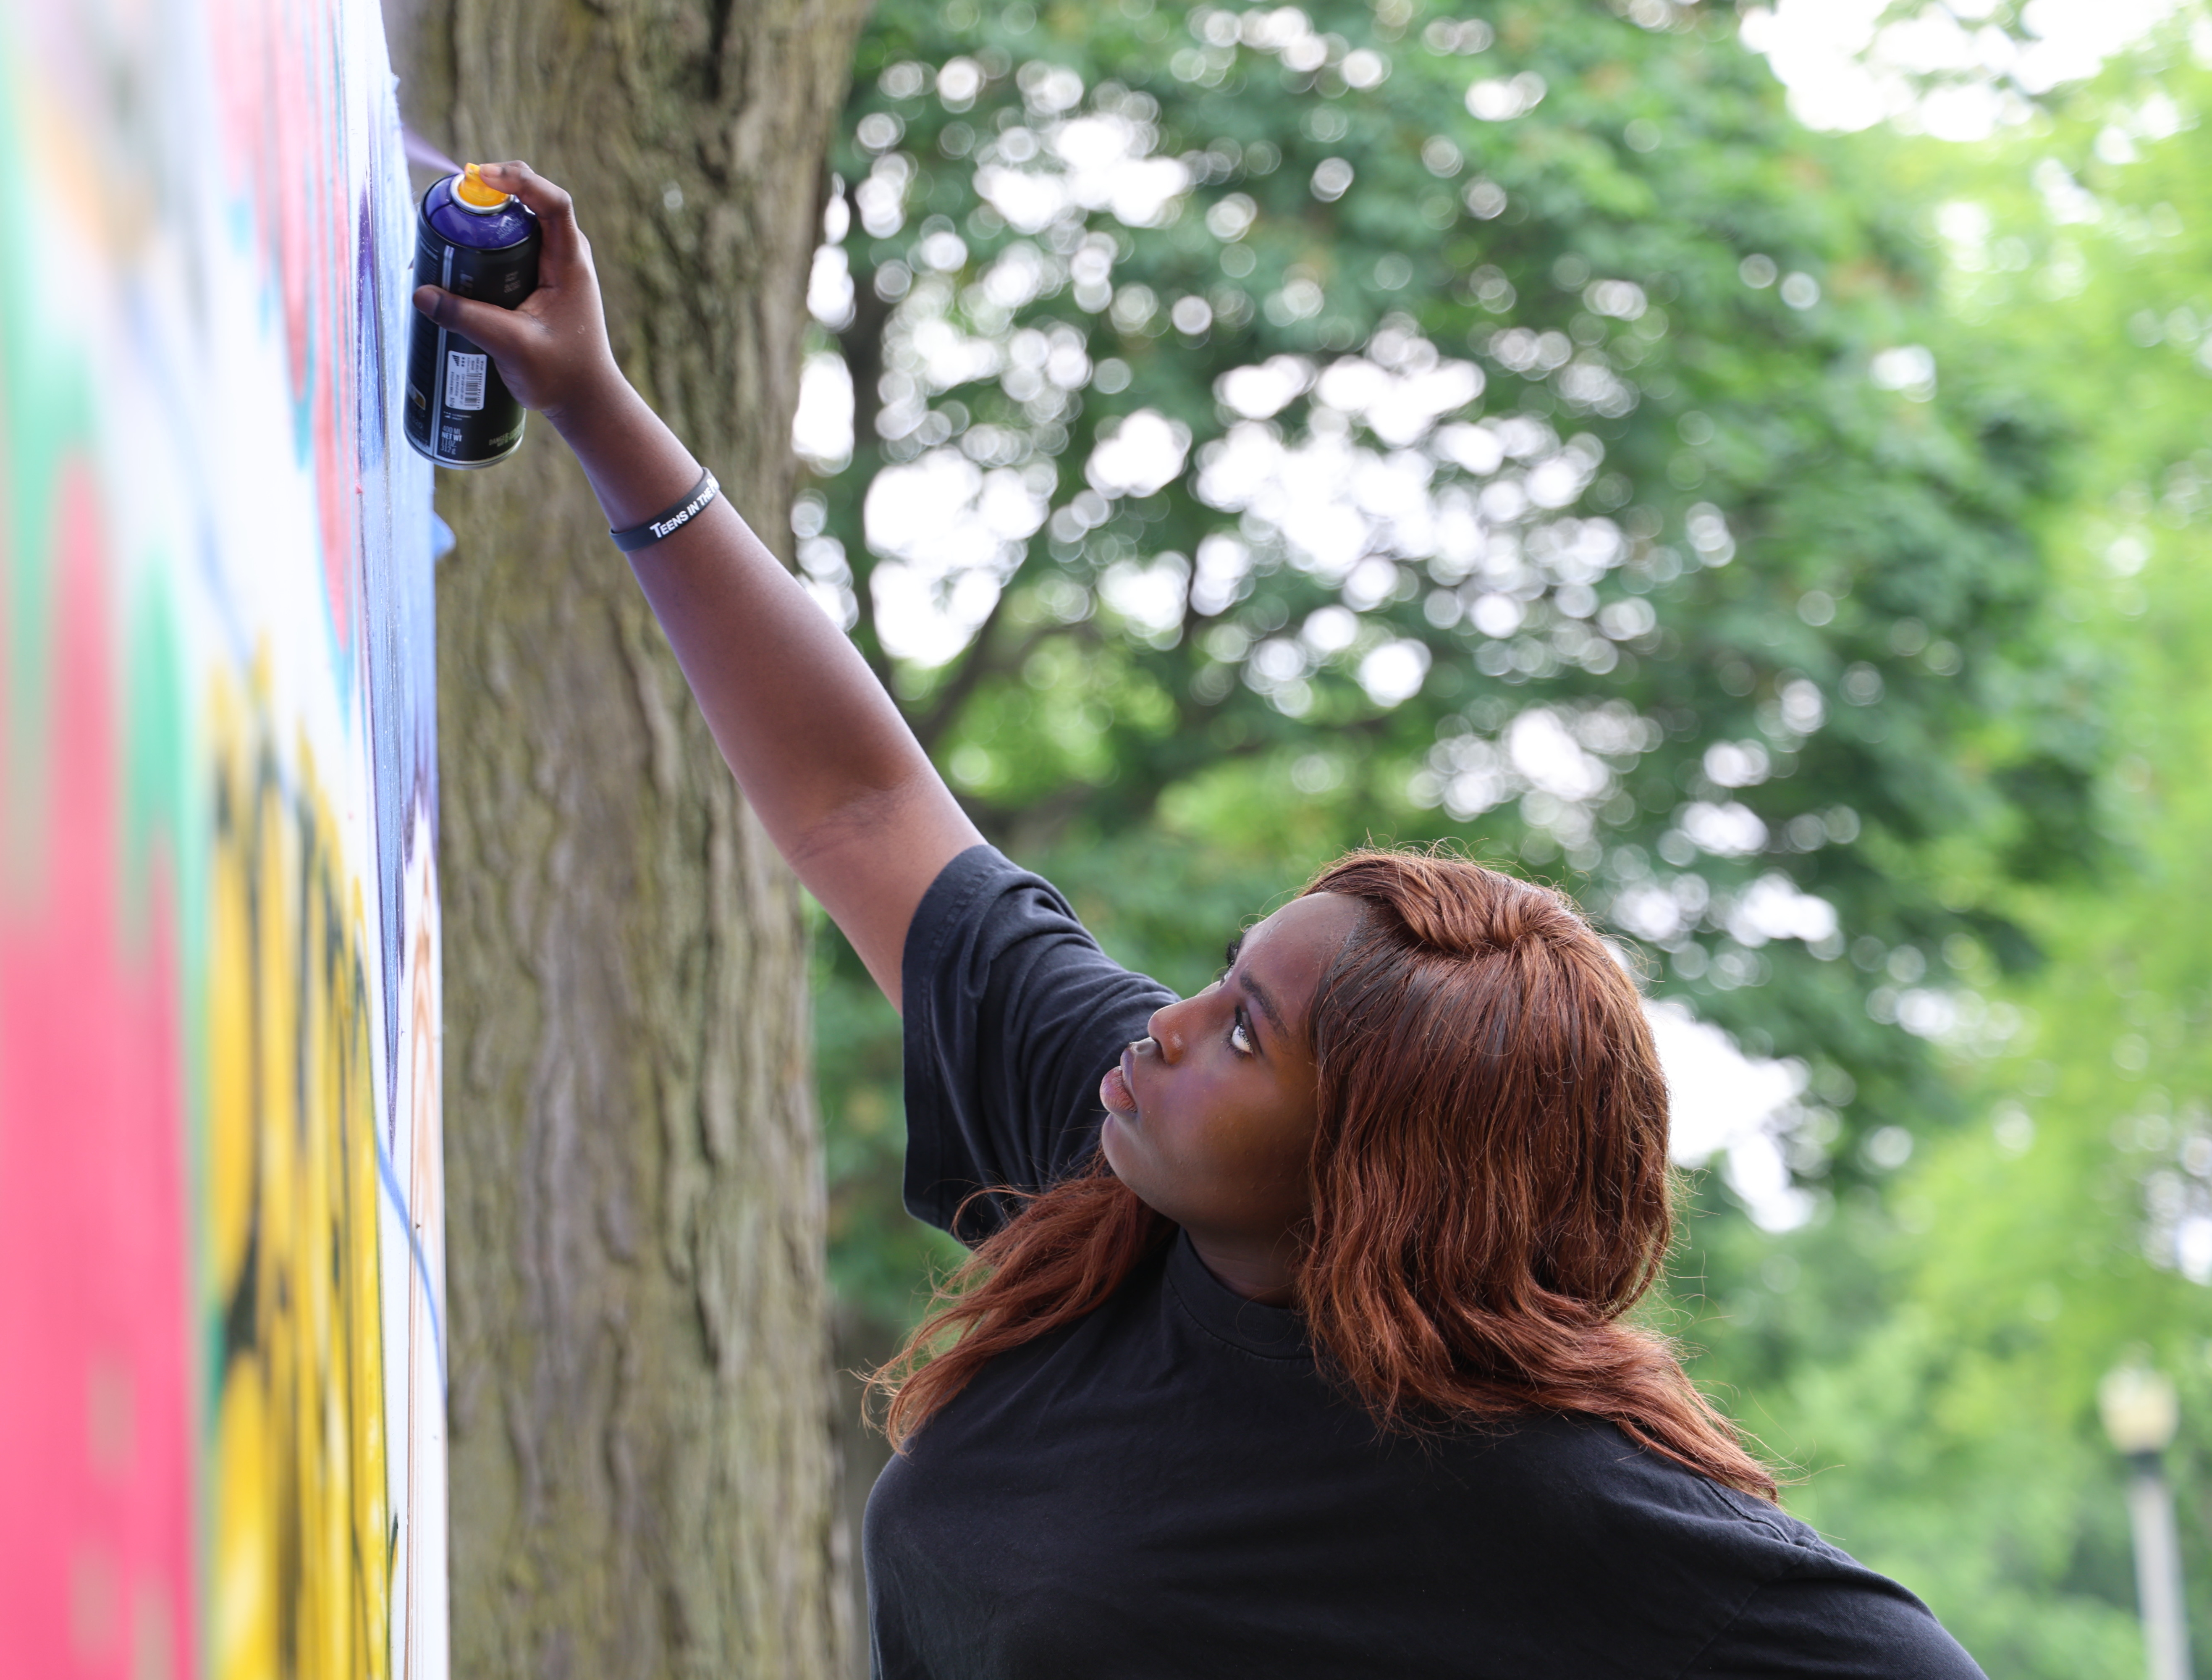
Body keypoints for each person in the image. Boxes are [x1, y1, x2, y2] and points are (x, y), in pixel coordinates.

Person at [418, 160, 1988, 1680]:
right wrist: (597, 411)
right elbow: (863, 813)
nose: (1169, 1021)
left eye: (1248, 1030)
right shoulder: (1125, 1172)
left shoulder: (1545, 1501)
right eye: (1229, 974)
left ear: (1377, 1175)